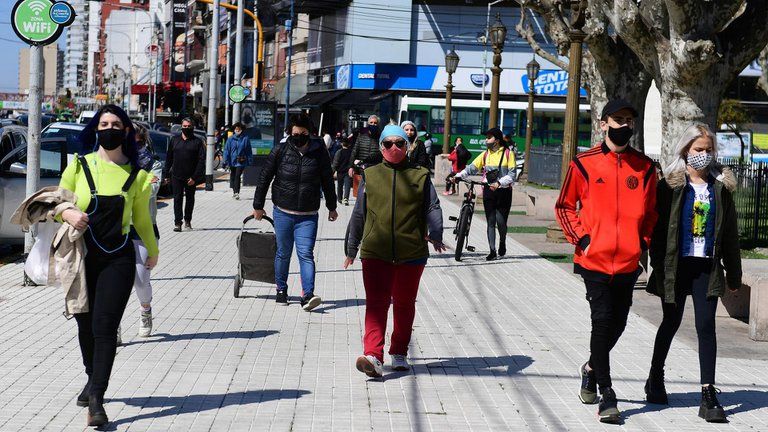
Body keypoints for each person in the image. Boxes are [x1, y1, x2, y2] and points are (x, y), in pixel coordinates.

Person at [555, 99, 658, 424]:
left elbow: (652, 214)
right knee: (601, 321)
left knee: (618, 323)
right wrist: (583, 240)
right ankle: (607, 394)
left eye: (628, 119)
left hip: (628, 262)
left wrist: (641, 244)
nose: (623, 124)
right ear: (603, 124)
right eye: (617, 119)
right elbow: (564, 206)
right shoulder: (584, 164)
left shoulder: (645, 168)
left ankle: (590, 367)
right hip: (593, 261)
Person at [59, 105, 159, 427]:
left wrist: (153, 251)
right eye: (104, 123)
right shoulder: (78, 165)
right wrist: (68, 213)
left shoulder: (138, 176)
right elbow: (55, 203)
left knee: (105, 329)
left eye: (116, 124)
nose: (109, 128)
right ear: (95, 129)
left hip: (119, 258)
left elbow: (142, 219)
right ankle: (92, 377)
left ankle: (98, 399)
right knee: (84, 326)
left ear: (126, 131)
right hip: (82, 258)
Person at [645, 124, 741, 423]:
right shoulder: (670, 185)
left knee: (706, 326)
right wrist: (658, 266)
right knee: (671, 321)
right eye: (699, 149)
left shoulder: (720, 187)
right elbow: (657, 232)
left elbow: (730, 235)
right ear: (686, 149)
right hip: (676, 266)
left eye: (709, 150)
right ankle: (655, 377)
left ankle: (708, 392)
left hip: (707, 267)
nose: (704, 155)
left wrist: (734, 275)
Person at [344, 125, 445, 378]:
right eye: (388, 144)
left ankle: (399, 351)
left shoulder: (420, 174)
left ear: (408, 146)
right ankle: (373, 356)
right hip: (375, 251)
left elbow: (432, 206)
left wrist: (437, 233)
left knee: (403, 304)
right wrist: (351, 247)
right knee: (376, 305)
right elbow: (360, 213)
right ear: (380, 147)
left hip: (411, 252)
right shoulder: (371, 174)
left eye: (399, 143)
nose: (394, 148)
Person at [252, 114, 338, 310]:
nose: (299, 137)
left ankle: (307, 295)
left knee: (306, 254)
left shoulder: (319, 153)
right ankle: (281, 289)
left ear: (310, 133)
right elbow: (265, 177)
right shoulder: (280, 150)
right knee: (283, 253)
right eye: (295, 133)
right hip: (283, 211)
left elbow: (327, 181)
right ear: (290, 133)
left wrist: (332, 207)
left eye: (303, 133)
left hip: (308, 215)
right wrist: (258, 206)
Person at [452, 127, 516, 260]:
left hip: (503, 192)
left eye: (489, 137)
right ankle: (492, 251)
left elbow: (512, 174)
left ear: (497, 140)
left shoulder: (508, 154)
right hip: (488, 191)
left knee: (501, 221)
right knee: (491, 221)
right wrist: (459, 175)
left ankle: (502, 241)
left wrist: (499, 183)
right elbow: (472, 168)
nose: (486, 140)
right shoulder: (485, 154)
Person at [131, 125, 163, 338]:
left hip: (143, 228)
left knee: (141, 280)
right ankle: (113, 327)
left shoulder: (154, 164)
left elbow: (151, 191)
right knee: (114, 283)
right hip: (116, 229)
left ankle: (145, 309)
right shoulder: (112, 163)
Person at [163, 117, 205, 232]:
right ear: (181, 127)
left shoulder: (197, 142)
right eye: (185, 126)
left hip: (191, 177)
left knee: (190, 199)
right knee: (177, 199)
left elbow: (201, 161)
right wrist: (166, 175)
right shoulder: (174, 140)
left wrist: (195, 178)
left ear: (193, 127)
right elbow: (169, 159)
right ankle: (178, 223)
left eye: (189, 126)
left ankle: (187, 220)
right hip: (176, 175)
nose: (186, 128)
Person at [223, 122, 253, 200]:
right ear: (234, 130)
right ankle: (234, 191)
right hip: (232, 161)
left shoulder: (245, 138)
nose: (237, 130)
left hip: (241, 160)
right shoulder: (230, 139)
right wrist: (225, 160)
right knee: (233, 175)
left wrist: (250, 160)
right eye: (236, 129)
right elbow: (226, 150)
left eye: (239, 129)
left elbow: (248, 150)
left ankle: (237, 192)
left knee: (237, 176)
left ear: (242, 130)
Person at [332, 137, 353, 205]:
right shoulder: (351, 152)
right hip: (348, 171)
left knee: (340, 185)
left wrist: (333, 171)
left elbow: (335, 162)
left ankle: (339, 198)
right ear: (349, 144)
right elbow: (352, 161)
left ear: (341, 144)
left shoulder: (339, 152)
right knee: (347, 185)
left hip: (340, 171)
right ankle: (346, 198)